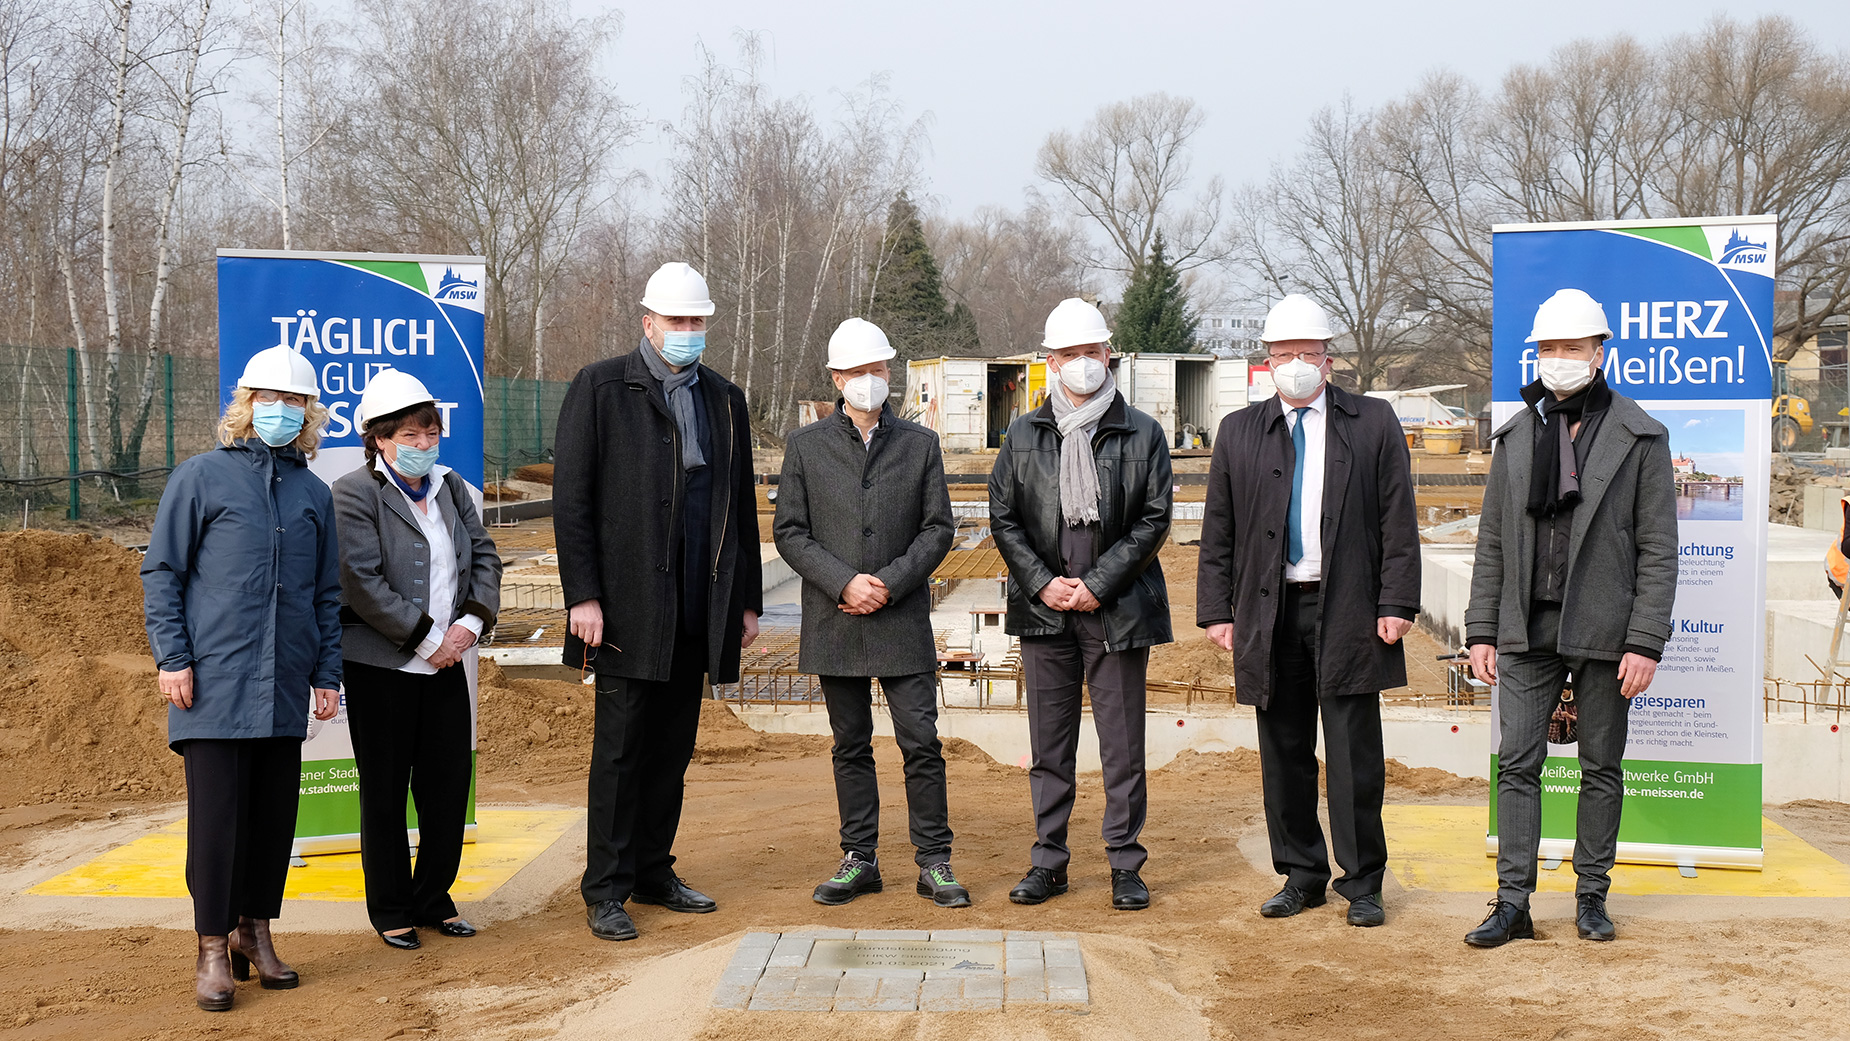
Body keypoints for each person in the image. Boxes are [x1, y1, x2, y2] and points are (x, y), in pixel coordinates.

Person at [1195, 294, 1420, 929]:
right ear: (1266, 360)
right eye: (1283, 354)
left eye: (1308, 353)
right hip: (1269, 610)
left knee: (1353, 753)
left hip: (1349, 607)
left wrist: (1397, 601)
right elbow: (1218, 529)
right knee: (1283, 748)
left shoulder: (1372, 421)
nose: (1296, 363)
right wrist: (1216, 610)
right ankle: (1301, 874)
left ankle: (1363, 882)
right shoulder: (1239, 430)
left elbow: (1398, 518)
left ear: (1329, 359)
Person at [554, 261, 763, 942]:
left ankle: (652, 869)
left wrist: (745, 601)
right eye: (677, 320)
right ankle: (606, 888)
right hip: (626, 607)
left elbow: (740, 507)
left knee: (672, 750)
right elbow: (572, 501)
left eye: (697, 320)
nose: (688, 330)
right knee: (620, 752)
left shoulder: (724, 399)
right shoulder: (600, 388)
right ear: (649, 322)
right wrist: (583, 595)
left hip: (698, 604)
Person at [1464, 288, 1677, 946]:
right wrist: (1481, 628)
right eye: (1548, 347)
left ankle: (1591, 896)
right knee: (1517, 763)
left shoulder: (1640, 436)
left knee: (1600, 766)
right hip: (1526, 626)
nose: (1558, 357)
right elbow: (1492, 541)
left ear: (1599, 352)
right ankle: (1512, 903)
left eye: (1571, 347)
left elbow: (1658, 548)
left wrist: (1645, 640)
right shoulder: (1518, 434)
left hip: (1606, 629)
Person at [142, 345, 342, 1011]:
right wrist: (172, 657)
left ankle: (254, 933)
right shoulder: (201, 477)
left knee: (272, 819)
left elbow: (326, 595)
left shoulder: (314, 494)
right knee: (218, 822)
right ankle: (211, 946)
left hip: (284, 682)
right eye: (269, 398)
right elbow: (162, 572)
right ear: (247, 404)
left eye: (294, 401)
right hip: (214, 682)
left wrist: (326, 672)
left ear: (309, 413)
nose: (281, 410)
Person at [988, 297, 1172, 912]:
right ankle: (1049, 861)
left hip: (1115, 609)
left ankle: (1125, 864)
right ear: (1051, 361)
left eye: (1091, 352)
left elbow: (1153, 519)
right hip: (1046, 612)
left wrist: (1098, 584)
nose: (1082, 363)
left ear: (1108, 354)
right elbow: (1004, 517)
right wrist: (1043, 583)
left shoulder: (1143, 432)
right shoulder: (1023, 434)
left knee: (1122, 745)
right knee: (1050, 746)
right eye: (1069, 354)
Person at [772, 318, 963, 908]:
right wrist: (843, 582)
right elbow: (790, 531)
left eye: (877, 369)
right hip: (836, 618)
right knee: (849, 744)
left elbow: (937, 529)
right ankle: (860, 858)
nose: (869, 380)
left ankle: (935, 862)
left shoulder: (919, 444)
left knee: (921, 741)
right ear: (836, 378)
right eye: (857, 371)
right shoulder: (806, 447)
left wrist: (890, 582)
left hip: (900, 618)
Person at [332, 369, 502, 950]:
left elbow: (485, 558)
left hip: (448, 664)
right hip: (384, 667)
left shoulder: (450, 487)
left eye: (431, 433)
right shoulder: (354, 492)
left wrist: (470, 624)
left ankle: (433, 898)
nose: (424, 444)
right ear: (379, 438)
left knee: (447, 788)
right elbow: (360, 580)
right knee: (385, 792)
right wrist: (430, 640)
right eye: (409, 435)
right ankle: (391, 909)